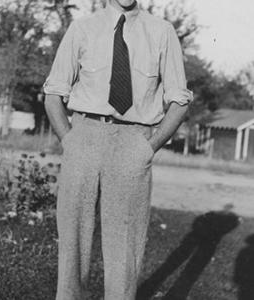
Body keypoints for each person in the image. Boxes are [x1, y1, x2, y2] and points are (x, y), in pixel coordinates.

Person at [43, 0, 193, 299]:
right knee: (72, 242)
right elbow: (53, 93)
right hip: (84, 136)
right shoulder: (82, 28)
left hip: (133, 143)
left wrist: (148, 147)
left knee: (124, 248)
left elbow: (179, 100)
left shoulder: (161, 31)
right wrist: (69, 140)